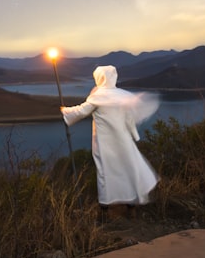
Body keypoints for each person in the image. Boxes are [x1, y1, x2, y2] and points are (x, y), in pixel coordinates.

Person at [61, 65, 159, 212]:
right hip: (123, 140)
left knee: (105, 172)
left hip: (104, 143)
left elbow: (81, 111)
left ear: (99, 78)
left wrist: (65, 111)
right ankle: (130, 204)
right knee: (126, 168)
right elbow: (129, 119)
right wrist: (135, 136)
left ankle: (105, 207)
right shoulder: (123, 96)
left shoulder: (97, 97)